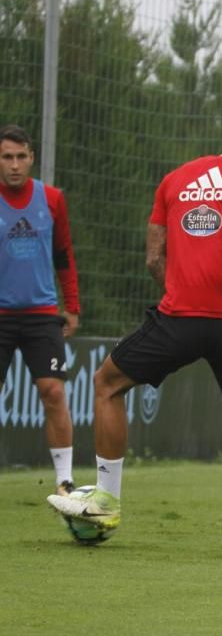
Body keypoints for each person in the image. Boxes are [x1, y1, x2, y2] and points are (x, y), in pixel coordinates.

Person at [48, 102, 222, 560]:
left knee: (106, 384)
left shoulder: (175, 179)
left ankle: (105, 500)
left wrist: (180, 286)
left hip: (178, 317)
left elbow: (153, 255)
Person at [0, 125, 81, 498]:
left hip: (42, 313)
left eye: (20, 157)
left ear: (32, 158)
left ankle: (64, 481)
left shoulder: (52, 199)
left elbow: (63, 254)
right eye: (6, 157)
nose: (14, 165)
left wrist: (72, 306)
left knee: (52, 392)